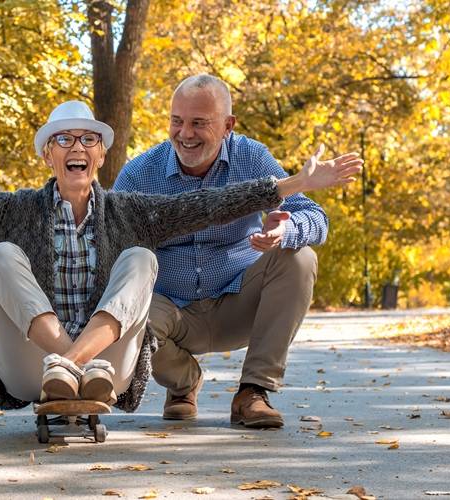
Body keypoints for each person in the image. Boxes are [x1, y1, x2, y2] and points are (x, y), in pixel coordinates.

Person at [0, 100, 361, 413]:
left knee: (139, 259)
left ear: (101, 157)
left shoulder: (132, 211)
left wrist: (287, 185)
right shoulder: (13, 210)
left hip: (111, 369)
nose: (76, 147)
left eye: (87, 140)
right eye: (63, 140)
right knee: (2, 254)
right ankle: (66, 360)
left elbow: (215, 203)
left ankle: (82, 363)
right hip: (33, 365)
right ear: (48, 157)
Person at [114, 74, 336, 428]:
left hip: (239, 302)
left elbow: (315, 217)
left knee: (300, 257)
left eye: (199, 123)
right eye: (177, 121)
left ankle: (253, 392)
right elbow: (111, 247)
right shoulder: (140, 174)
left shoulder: (252, 158)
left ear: (228, 125)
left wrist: (285, 230)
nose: (185, 134)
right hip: (170, 309)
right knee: (119, 309)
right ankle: (184, 383)